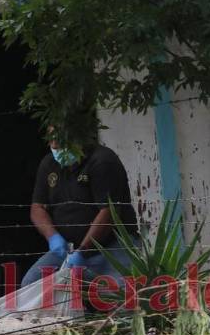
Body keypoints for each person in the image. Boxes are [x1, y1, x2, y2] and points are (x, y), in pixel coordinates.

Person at [22, 121, 140, 289]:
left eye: (61, 143)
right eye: (52, 143)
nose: (55, 149)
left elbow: (109, 212)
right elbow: (37, 208)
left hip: (112, 246)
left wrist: (83, 251)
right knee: (31, 285)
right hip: (67, 249)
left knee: (121, 296)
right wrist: (53, 238)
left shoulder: (102, 160)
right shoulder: (49, 164)